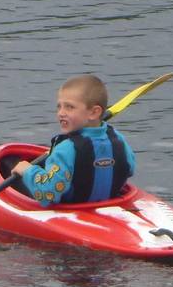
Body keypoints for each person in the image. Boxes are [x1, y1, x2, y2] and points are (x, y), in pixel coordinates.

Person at [11, 74, 136, 207]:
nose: (61, 113)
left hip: (74, 209)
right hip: (110, 203)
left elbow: (48, 193)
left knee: (10, 163)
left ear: (94, 113)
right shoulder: (119, 139)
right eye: (59, 107)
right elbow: (129, 170)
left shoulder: (65, 149)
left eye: (69, 107)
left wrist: (27, 171)